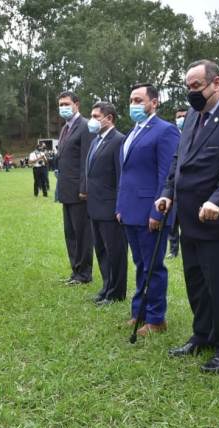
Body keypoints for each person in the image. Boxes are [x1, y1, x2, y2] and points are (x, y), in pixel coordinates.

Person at [156, 60, 219, 372]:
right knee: (197, 283)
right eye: (188, 87)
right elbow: (179, 160)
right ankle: (203, 334)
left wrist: (218, 199)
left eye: (196, 86)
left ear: (217, 83)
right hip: (190, 220)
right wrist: (168, 192)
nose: (191, 92)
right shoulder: (192, 118)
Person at [116, 83, 180, 335]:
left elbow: (167, 175)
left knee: (153, 266)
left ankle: (156, 318)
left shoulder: (165, 131)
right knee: (140, 264)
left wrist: (158, 212)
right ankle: (139, 312)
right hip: (130, 210)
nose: (134, 104)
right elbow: (127, 174)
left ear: (154, 103)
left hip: (151, 211)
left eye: (139, 100)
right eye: (131, 99)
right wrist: (120, 206)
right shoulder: (132, 132)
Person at [80, 102, 127, 305]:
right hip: (95, 206)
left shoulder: (119, 141)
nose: (92, 120)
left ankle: (116, 292)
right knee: (101, 249)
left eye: (96, 116)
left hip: (110, 207)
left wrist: (120, 206)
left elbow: (121, 176)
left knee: (115, 251)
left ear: (109, 118)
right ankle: (107, 286)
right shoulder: (95, 140)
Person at [55, 90, 94, 285]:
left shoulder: (85, 126)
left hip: (80, 192)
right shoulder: (65, 128)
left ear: (76, 104)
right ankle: (75, 271)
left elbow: (87, 159)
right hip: (66, 191)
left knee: (83, 235)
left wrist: (84, 188)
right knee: (70, 234)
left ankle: (84, 273)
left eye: (66, 104)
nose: (63, 108)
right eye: (60, 104)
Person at [167, 107, 187, 259]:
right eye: (178, 116)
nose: (181, 119)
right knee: (173, 221)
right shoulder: (173, 135)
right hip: (173, 184)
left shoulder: (193, 133)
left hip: (188, 185)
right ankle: (173, 250)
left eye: (183, 116)